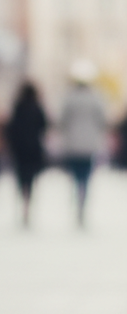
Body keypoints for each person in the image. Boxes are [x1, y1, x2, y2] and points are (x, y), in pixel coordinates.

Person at [60, 60, 107, 227]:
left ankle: (76, 203)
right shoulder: (96, 98)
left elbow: (62, 120)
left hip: (72, 145)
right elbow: (103, 120)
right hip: (89, 146)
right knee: (86, 178)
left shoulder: (70, 98)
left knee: (74, 177)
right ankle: (82, 205)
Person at [5, 82, 48, 227]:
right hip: (34, 150)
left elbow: (11, 128)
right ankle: (27, 205)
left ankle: (22, 204)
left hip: (20, 150)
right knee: (31, 180)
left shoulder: (18, 107)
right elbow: (44, 126)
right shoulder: (37, 108)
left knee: (21, 178)